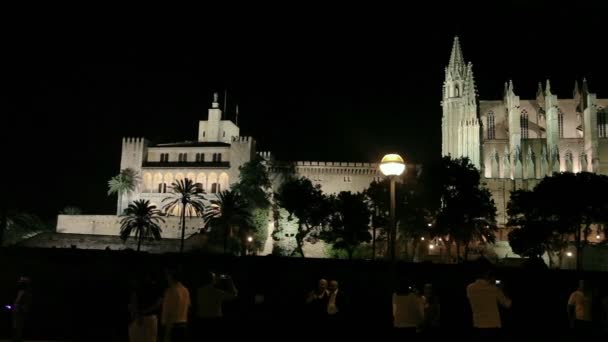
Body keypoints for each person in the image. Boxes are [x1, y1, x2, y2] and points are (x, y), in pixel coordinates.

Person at [466, 269, 511, 340]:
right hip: (493, 325)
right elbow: (507, 304)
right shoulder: (494, 288)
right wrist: (502, 289)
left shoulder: (469, 288)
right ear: (487, 275)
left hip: (477, 324)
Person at [194, 272, 237, 337]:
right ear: (212, 280)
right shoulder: (217, 292)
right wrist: (230, 281)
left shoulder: (199, 291)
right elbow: (234, 294)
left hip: (202, 319)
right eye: (214, 277)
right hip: (215, 320)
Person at [128, 274, 163, 342]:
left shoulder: (137, 289)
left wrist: (137, 314)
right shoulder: (156, 288)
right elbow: (159, 303)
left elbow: (133, 303)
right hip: (151, 319)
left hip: (142, 318)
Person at [161, 268, 190, 342]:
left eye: (167, 275)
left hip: (172, 327)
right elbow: (188, 305)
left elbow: (170, 313)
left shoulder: (171, 291)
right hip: (183, 325)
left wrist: (167, 333)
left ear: (170, 276)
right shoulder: (185, 290)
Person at [11, 276, 32, 342]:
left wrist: (17, 306)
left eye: (20, 282)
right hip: (19, 308)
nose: (19, 283)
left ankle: (17, 338)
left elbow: (20, 301)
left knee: (18, 324)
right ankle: (17, 338)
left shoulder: (24, 292)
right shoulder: (24, 291)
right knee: (17, 324)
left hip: (19, 309)